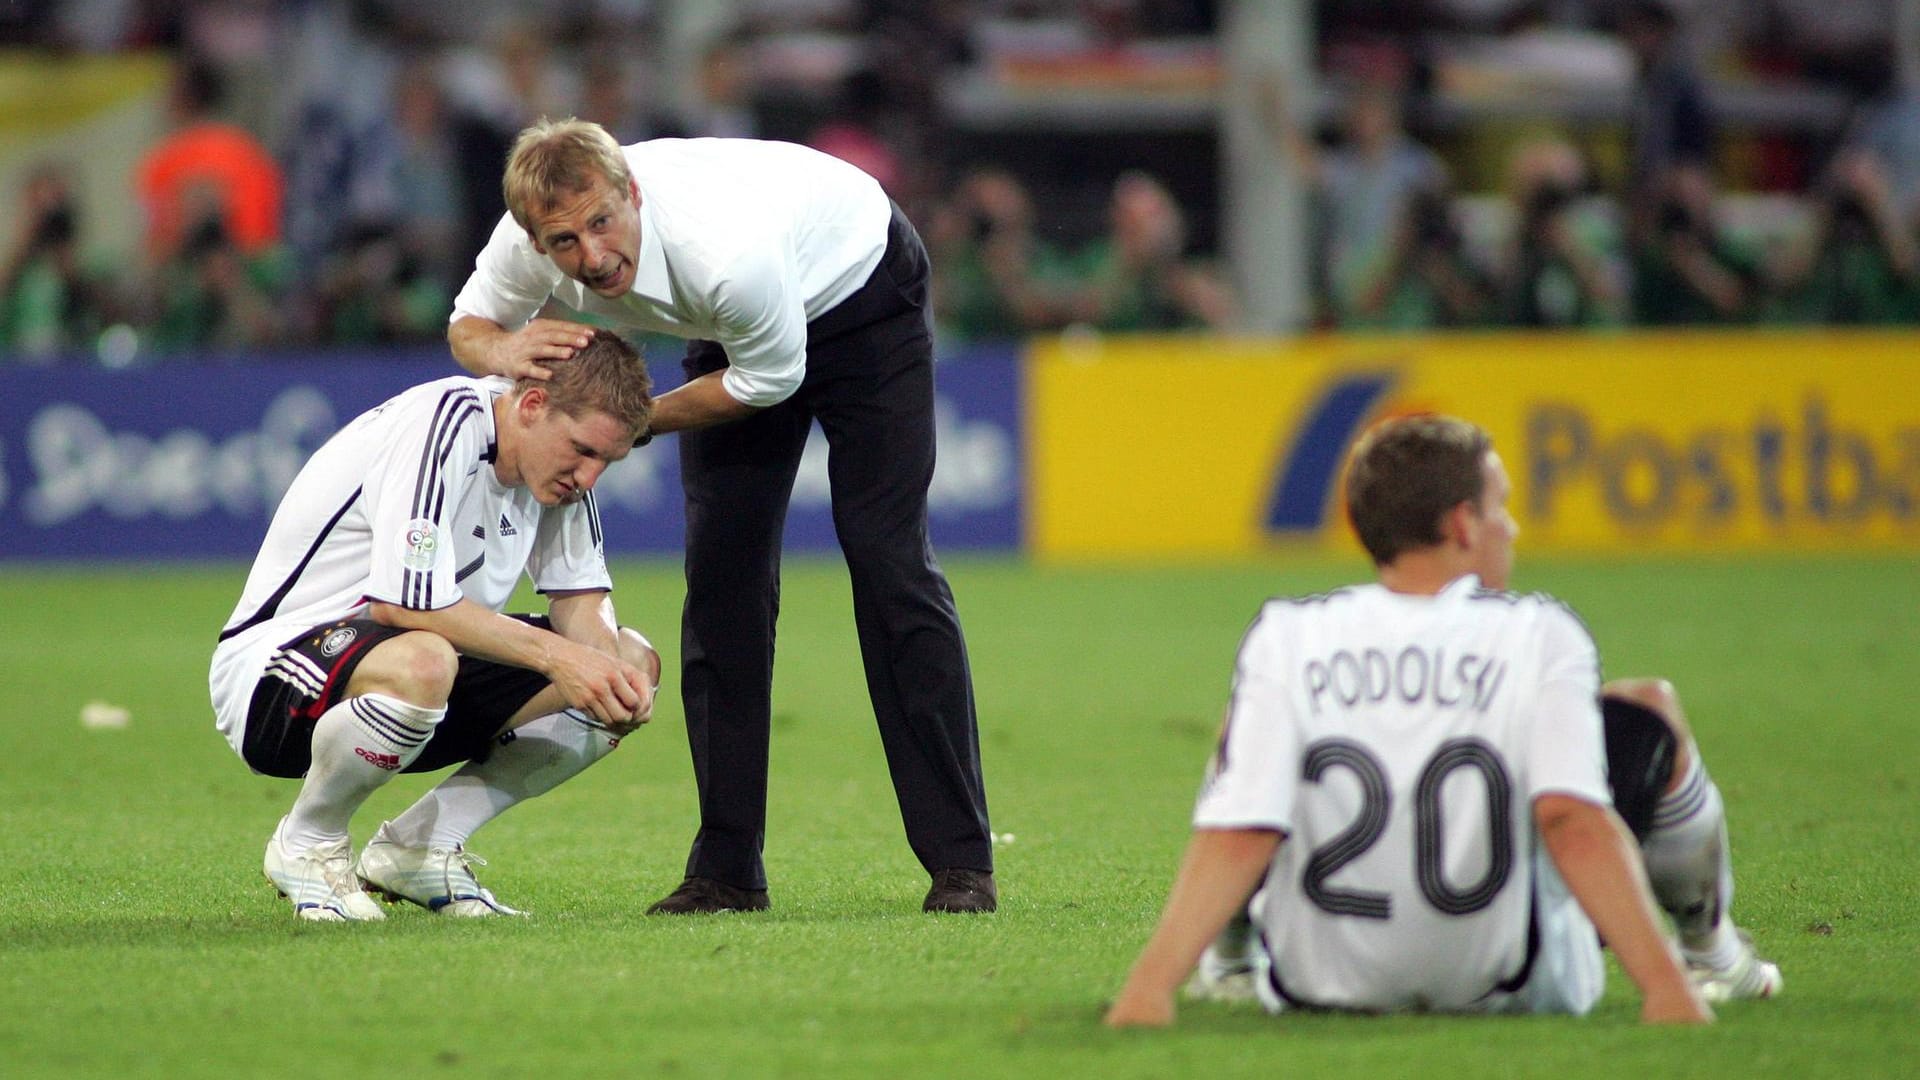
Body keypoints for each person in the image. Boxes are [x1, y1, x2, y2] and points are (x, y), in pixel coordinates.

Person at [447, 118, 995, 915]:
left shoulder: (724, 254)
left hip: (862, 296)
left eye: (603, 223)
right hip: (734, 332)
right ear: (536, 239)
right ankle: (726, 870)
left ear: (633, 193)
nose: (592, 258)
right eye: (564, 242)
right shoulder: (528, 237)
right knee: (722, 583)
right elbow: (470, 324)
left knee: (889, 562)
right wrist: (505, 353)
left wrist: (628, 422)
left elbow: (767, 382)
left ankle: (962, 863)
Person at [1106, 415, 1781, 1027]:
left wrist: (1149, 988)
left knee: (1248, 732)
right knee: (1648, 710)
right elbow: (1570, 819)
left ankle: (1229, 961)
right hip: (1518, 983)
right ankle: (1711, 954)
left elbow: (1243, 826)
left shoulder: (1288, 636)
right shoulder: (1540, 634)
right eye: (1501, 508)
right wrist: (1662, 989)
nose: (1511, 527)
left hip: (1320, 984)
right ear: (1462, 525)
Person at [209, 329, 660, 921]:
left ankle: (418, 848)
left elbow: (581, 599)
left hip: (412, 680)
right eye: (582, 450)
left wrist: (604, 676)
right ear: (531, 406)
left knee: (628, 664)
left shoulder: (556, 475)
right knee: (425, 659)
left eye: (605, 461)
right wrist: (560, 659)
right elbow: (405, 605)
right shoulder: (444, 424)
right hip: (274, 676)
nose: (588, 477)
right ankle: (309, 843)